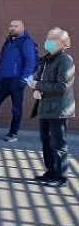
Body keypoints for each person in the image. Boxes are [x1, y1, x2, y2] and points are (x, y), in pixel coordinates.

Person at [27, 27, 74, 188]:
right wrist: (37, 88)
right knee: (46, 141)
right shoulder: (48, 59)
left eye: (52, 38)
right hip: (45, 106)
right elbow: (41, 79)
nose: (48, 41)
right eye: (48, 37)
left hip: (59, 109)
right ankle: (51, 172)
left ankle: (60, 177)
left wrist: (38, 85)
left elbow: (62, 86)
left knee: (58, 144)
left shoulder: (65, 60)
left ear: (62, 43)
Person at [0, 20, 38, 143]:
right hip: (3, 79)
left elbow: (30, 63)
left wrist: (24, 79)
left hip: (17, 80)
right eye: (11, 26)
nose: (12, 28)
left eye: (16, 26)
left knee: (16, 108)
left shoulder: (26, 42)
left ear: (22, 27)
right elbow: (1, 62)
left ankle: (13, 134)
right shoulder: (8, 42)